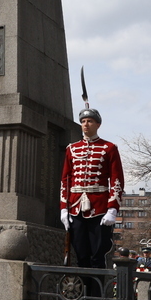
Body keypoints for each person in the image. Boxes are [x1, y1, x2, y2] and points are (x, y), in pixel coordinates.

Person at [59, 105, 124, 273]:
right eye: (83, 121)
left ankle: (96, 298)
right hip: (75, 208)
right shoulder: (71, 149)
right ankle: (84, 298)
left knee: (97, 256)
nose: (85, 124)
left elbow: (116, 179)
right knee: (81, 255)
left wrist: (112, 209)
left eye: (89, 121)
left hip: (99, 208)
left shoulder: (109, 148)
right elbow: (65, 181)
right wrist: (63, 209)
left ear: (98, 125)